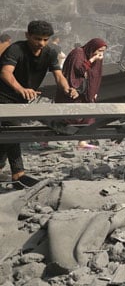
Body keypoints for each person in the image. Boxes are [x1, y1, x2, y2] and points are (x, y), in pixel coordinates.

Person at [0, 20, 78, 189]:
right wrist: (21, 89)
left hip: (23, 98)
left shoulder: (49, 53)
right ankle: (18, 175)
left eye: (45, 39)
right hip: (4, 96)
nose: (41, 43)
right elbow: (6, 73)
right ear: (27, 35)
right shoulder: (16, 49)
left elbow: (58, 75)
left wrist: (67, 89)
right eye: (37, 39)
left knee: (5, 135)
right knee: (12, 130)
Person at [54, 38, 108, 149]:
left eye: (103, 51)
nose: (100, 54)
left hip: (84, 92)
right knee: (64, 117)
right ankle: (48, 139)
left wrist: (94, 92)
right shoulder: (78, 53)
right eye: (98, 50)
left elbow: (96, 76)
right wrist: (92, 59)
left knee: (88, 116)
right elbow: (77, 70)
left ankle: (82, 141)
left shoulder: (97, 57)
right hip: (71, 90)